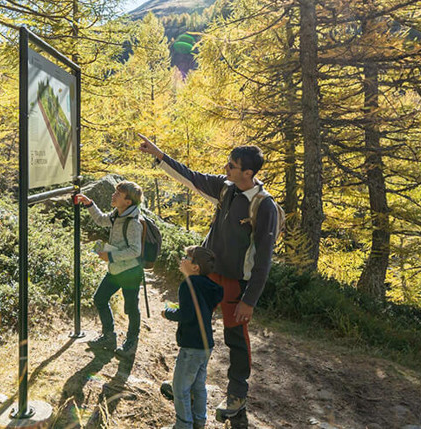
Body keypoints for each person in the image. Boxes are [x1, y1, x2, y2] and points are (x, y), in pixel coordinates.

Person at [138, 134, 279, 422]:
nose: (226, 168)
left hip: (236, 283)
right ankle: (185, 382)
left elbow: (264, 259)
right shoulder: (225, 188)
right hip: (209, 274)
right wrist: (160, 156)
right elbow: (192, 178)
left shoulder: (265, 207)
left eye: (233, 165)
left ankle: (237, 395)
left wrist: (249, 300)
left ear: (248, 173)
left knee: (235, 337)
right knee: (194, 324)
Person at [74, 181, 145, 357]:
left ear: (128, 201)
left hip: (130, 272)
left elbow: (136, 251)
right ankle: (109, 336)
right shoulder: (116, 214)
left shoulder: (133, 222)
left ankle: (131, 342)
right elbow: (100, 219)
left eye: (118, 194)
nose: (113, 195)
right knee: (99, 298)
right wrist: (89, 203)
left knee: (130, 308)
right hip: (115, 270)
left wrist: (111, 256)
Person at [162, 246, 223, 429]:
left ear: (195, 267)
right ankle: (199, 421)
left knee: (180, 388)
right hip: (205, 345)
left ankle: (183, 425)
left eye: (186, 258)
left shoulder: (187, 285)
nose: (182, 260)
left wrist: (168, 313)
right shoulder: (210, 287)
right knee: (199, 386)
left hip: (191, 346)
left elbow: (187, 315)